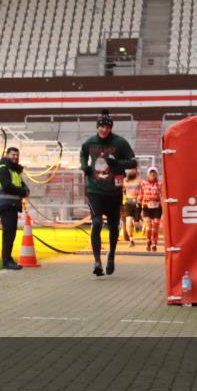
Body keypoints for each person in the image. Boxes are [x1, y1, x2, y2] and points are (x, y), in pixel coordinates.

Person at [80, 110, 137, 277]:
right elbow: (83, 154)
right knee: (96, 222)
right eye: (102, 127)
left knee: (113, 226)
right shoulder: (90, 142)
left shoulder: (120, 143)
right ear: (97, 127)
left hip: (114, 192)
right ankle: (97, 262)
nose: (104, 130)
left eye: (107, 127)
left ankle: (111, 253)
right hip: (95, 191)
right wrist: (84, 166)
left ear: (111, 128)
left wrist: (117, 163)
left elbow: (133, 161)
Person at [0, 147, 30, 270]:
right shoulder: (2, 168)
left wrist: (25, 190)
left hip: (12, 205)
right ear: (7, 154)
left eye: (17, 155)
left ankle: (8, 259)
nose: (15, 157)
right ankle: (6, 261)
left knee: (11, 234)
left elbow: (21, 184)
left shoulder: (13, 171)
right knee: (9, 233)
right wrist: (23, 192)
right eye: (13, 154)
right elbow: (7, 186)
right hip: (6, 205)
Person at [140, 167, 164, 253]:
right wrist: (138, 204)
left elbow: (163, 195)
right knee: (148, 227)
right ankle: (148, 240)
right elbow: (140, 194)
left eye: (154, 173)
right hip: (146, 207)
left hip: (157, 208)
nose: (152, 175)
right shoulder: (144, 183)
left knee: (155, 226)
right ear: (148, 174)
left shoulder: (160, 184)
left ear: (156, 175)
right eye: (151, 173)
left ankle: (154, 243)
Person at [121, 169, 142, 247]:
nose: (131, 172)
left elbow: (142, 191)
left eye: (133, 171)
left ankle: (138, 225)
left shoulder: (139, 180)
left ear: (136, 171)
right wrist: (123, 199)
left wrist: (139, 200)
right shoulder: (125, 180)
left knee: (136, 223)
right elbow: (122, 190)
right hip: (128, 202)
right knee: (128, 221)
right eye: (130, 171)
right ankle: (131, 239)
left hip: (137, 202)